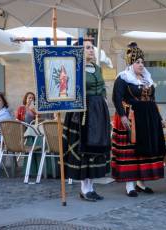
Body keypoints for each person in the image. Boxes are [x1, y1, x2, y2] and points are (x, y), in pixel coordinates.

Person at [111, 42, 166, 197]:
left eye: (142, 62)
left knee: (145, 151)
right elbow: (116, 98)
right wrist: (122, 116)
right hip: (132, 118)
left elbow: (153, 99)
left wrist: (159, 118)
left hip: (148, 118)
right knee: (132, 152)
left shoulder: (147, 78)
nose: (141, 64)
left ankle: (142, 183)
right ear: (131, 63)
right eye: (137, 62)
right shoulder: (123, 78)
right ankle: (130, 185)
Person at [63, 40, 111, 202]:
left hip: (98, 110)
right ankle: (84, 189)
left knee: (97, 148)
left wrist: (103, 102)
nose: (91, 50)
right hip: (83, 112)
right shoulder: (75, 69)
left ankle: (91, 187)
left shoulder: (97, 68)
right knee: (85, 149)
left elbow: (103, 88)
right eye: (87, 48)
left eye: (92, 47)